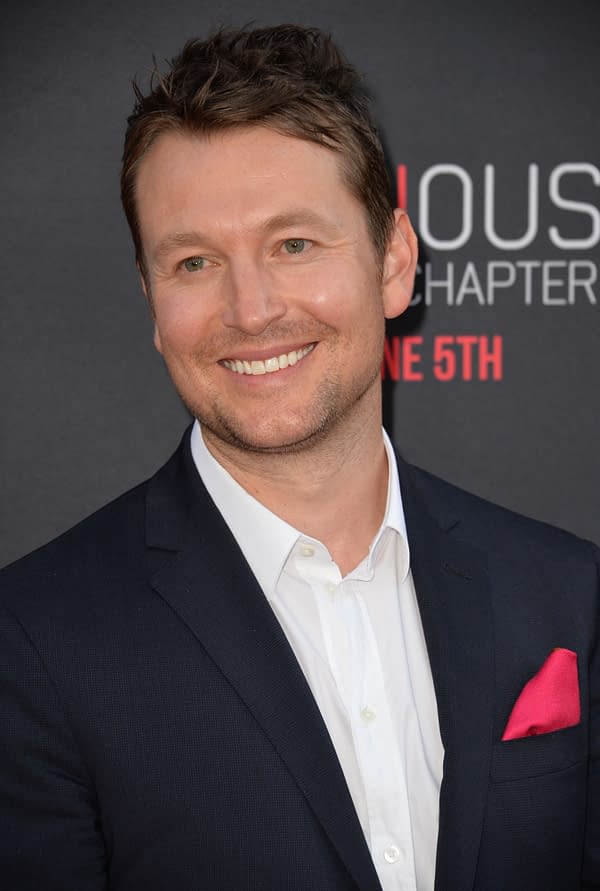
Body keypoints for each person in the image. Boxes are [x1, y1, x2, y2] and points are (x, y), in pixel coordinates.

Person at [0, 24, 598, 891]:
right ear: (151, 299)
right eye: (195, 261)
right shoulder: (33, 643)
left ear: (394, 263)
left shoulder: (561, 591)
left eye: (294, 245)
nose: (250, 309)